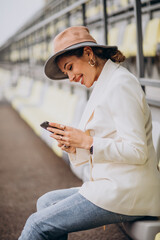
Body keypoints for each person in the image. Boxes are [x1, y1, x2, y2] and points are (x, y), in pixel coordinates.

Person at [18, 26, 160, 240]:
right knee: (45, 202)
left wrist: (87, 142)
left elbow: (137, 151)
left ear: (88, 53)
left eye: (70, 67)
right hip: (111, 184)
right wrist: (74, 146)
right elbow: (98, 146)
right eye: (66, 73)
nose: (71, 77)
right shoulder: (104, 84)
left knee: (37, 224)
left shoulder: (120, 85)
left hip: (127, 190)